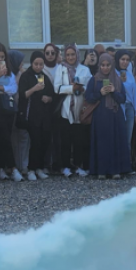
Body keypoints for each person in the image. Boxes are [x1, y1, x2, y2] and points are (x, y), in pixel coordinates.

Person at [85, 52, 128, 179]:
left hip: (115, 116)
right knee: (102, 143)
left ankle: (115, 170)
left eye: (108, 65)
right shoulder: (94, 79)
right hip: (100, 116)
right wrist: (100, 93)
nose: (105, 68)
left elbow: (123, 99)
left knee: (115, 142)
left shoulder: (117, 79)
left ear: (112, 65)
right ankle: (101, 171)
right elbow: (88, 98)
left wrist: (114, 92)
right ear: (99, 65)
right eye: (102, 65)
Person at [53, 43, 92, 176]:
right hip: (66, 109)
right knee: (65, 140)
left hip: (80, 109)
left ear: (77, 55)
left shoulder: (84, 69)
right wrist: (71, 88)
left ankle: (78, 166)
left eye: (73, 54)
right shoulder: (60, 68)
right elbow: (57, 88)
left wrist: (82, 89)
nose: (70, 57)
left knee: (79, 140)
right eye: (68, 55)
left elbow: (90, 86)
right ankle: (65, 166)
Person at [18, 51, 56, 181]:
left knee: (44, 141)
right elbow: (22, 95)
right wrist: (34, 89)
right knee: (35, 142)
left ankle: (39, 167)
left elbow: (52, 95)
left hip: (44, 115)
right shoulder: (26, 76)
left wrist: (48, 98)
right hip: (31, 115)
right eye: (36, 64)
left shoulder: (44, 76)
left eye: (41, 64)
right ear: (32, 63)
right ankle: (30, 169)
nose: (38, 67)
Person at [0, 41, 21, 181]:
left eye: (2, 56)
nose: (0, 59)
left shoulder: (10, 72)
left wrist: (3, 89)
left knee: (5, 138)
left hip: (8, 109)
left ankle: (1, 167)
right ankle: (11, 167)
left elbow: (13, 89)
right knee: (3, 138)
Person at [114, 49, 136, 155]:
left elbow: (135, 94)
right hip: (116, 107)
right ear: (117, 60)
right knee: (117, 136)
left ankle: (127, 164)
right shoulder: (112, 74)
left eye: (127, 60)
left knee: (127, 137)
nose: (125, 62)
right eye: (122, 59)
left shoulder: (129, 75)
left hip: (129, 108)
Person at [8, 49, 29, 179]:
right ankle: (13, 166)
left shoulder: (23, 73)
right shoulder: (8, 74)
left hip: (22, 110)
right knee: (12, 139)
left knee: (23, 137)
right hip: (10, 109)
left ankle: (23, 165)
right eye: (20, 62)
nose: (22, 64)